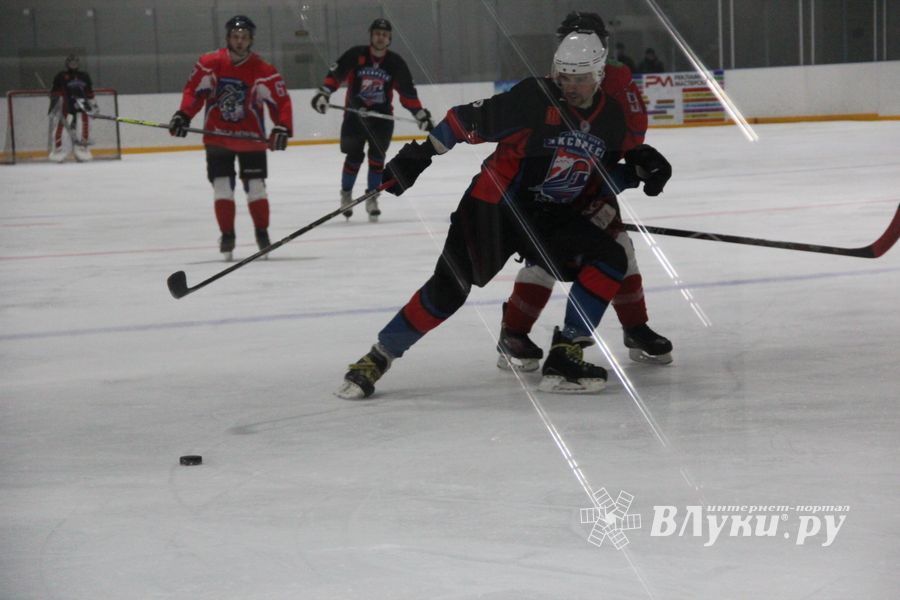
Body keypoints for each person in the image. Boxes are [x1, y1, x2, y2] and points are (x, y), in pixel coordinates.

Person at [334, 30, 672, 399]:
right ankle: (377, 357)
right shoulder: (533, 98)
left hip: (548, 217)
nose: (570, 86)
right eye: (564, 77)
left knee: (610, 257)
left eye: (580, 78)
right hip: (492, 209)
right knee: (449, 290)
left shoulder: (611, 121)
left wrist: (636, 175)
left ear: (599, 75)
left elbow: (594, 183)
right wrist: (419, 157)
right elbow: (462, 122)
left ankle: (566, 354)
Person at [497, 12, 674, 373]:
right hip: (552, 186)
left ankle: (635, 327)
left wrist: (617, 172)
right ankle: (513, 333)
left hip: (594, 179)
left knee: (619, 249)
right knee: (544, 258)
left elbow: (633, 131)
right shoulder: (550, 83)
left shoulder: (618, 78)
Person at [169, 15, 293, 261]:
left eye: (244, 37)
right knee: (222, 187)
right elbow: (194, 91)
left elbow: (281, 101)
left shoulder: (263, 69)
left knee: (256, 188)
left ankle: (262, 233)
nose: (239, 41)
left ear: (251, 40)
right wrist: (184, 114)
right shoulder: (210, 63)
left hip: (251, 139)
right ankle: (227, 235)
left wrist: (282, 127)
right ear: (228, 38)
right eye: (235, 37)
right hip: (218, 138)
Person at [310, 18, 434, 222]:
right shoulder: (356, 54)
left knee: (377, 161)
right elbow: (336, 74)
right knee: (353, 158)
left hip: (381, 121)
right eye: (377, 33)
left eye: (384, 35)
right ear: (371, 35)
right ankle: (346, 195)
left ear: (389, 39)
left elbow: (407, 93)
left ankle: (372, 198)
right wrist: (324, 93)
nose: (380, 37)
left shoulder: (395, 63)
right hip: (354, 118)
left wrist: (420, 114)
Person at [48, 54, 96, 163]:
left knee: (84, 129)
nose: (73, 65)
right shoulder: (61, 76)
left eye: (75, 63)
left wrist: (94, 105)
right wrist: (54, 103)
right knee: (60, 131)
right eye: (71, 63)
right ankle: (59, 151)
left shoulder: (84, 76)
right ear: (67, 64)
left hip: (82, 108)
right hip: (66, 109)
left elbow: (90, 93)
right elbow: (55, 92)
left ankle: (82, 149)